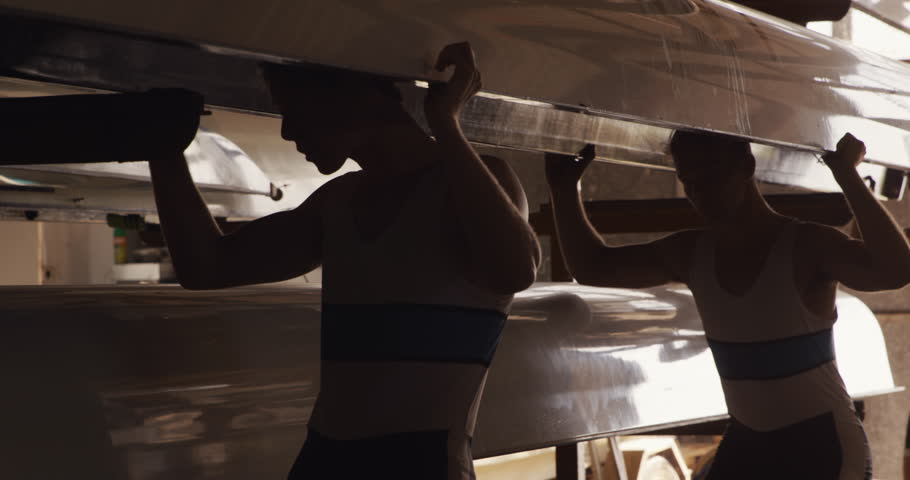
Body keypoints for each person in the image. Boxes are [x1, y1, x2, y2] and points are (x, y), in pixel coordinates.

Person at [147, 42, 540, 480]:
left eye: (293, 109)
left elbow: (515, 269)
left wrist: (446, 124)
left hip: (415, 463)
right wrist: (163, 150)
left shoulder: (472, 183)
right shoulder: (337, 202)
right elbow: (207, 266)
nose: (288, 132)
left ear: (356, 97)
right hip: (329, 459)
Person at [545, 132, 910, 479]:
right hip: (749, 441)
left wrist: (847, 175)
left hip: (823, 444)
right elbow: (593, 266)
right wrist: (563, 190)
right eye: (689, 182)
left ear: (747, 167)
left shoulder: (807, 245)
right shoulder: (691, 252)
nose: (700, 194)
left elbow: (895, 270)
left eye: (712, 178)